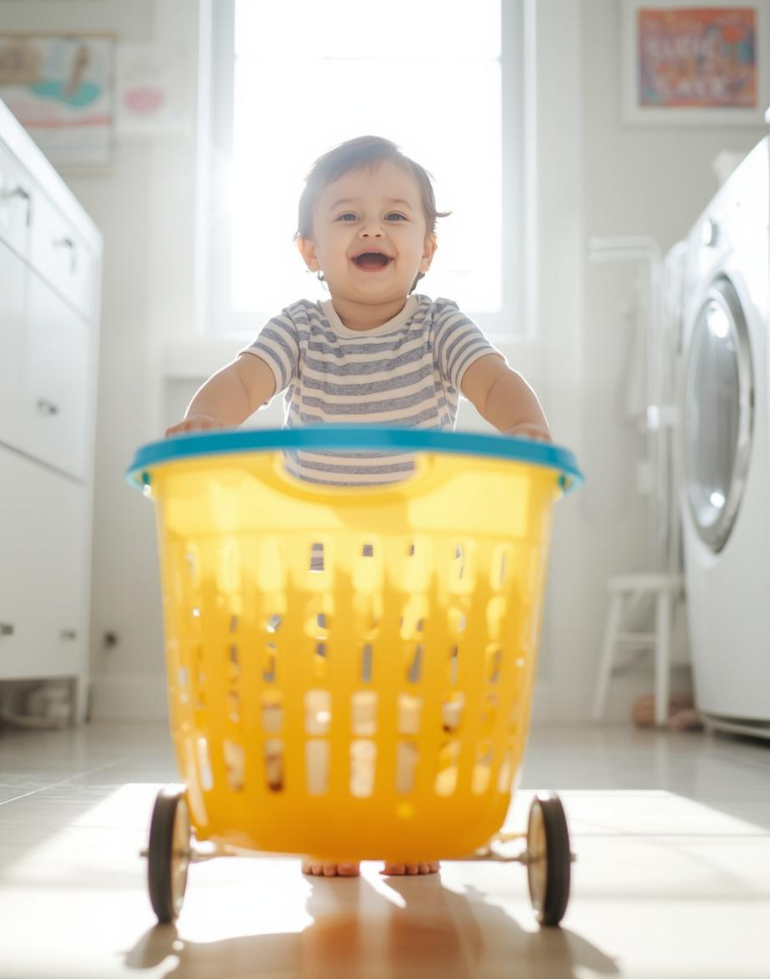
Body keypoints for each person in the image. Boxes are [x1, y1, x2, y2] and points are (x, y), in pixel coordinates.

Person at [166, 135, 551, 876]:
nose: (373, 229)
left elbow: (494, 380)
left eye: (396, 216)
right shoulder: (300, 328)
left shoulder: (440, 325)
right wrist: (205, 421)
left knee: (425, 697)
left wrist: (526, 428)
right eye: (348, 216)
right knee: (314, 698)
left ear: (427, 248)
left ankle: (415, 821)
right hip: (312, 565)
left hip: (420, 564)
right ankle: (327, 820)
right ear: (311, 249)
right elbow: (244, 379)